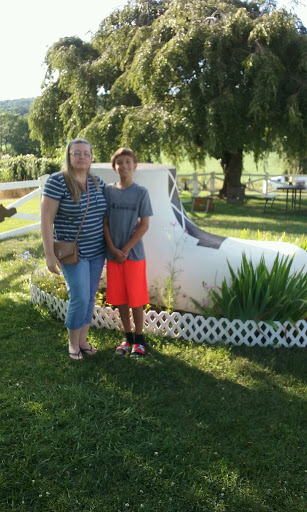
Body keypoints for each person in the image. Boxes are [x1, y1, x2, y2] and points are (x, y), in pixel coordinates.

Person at [41, 138, 107, 360]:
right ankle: (72, 343)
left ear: (91, 157)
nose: (82, 157)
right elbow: (46, 220)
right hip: (73, 254)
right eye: (77, 153)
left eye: (86, 153)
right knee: (79, 296)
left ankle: (83, 341)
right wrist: (50, 255)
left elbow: (109, 212)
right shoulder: (57, 182)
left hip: (97, 251)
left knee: (89, 297)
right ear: (69, 157)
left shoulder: (98, 182)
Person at [103, 147, 153, 358]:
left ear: (135, 165)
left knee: (136, 298)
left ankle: (140, 340)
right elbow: (104, 222)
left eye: (127, 162)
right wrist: (113, 249)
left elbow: (144, 225)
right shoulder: (108, 191)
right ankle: (128, 337)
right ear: (114, 167)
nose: (124, 166)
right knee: (121, 298)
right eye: (119, 162)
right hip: (113, 255)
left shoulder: (141, 192)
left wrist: (125, 249)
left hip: (133, 255)